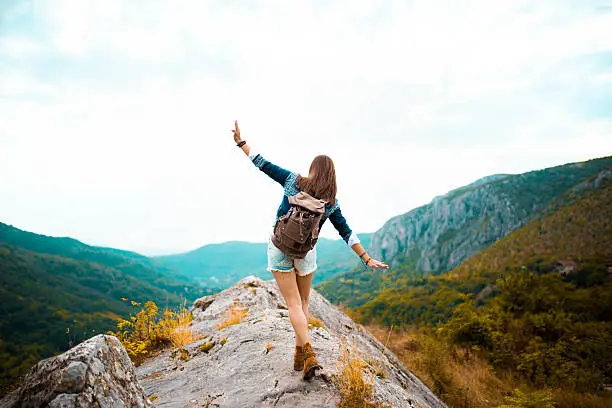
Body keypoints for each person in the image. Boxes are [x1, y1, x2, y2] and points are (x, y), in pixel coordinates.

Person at [231, 120, 388, 380]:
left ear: (313, 170)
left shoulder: (293, 181)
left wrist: (241, 143)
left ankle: (308, 353)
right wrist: (366, 257)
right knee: (303, 303)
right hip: (306, 253)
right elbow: (346, 233)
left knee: (292, 304)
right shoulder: (331, 203)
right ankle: (300, 354)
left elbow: (262, 163)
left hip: (280, 247)